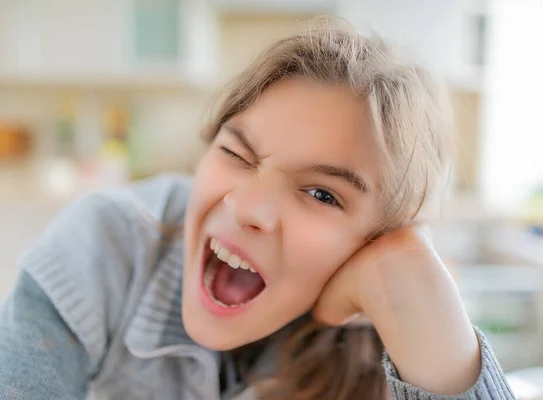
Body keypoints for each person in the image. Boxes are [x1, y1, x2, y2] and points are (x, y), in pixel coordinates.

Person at [0, 27, 514, 399]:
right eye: (236, 155)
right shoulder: (108, 240)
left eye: (321, 194)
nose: (247, 208)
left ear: (373, 243)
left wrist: (418, 303)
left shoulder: (386, 325)